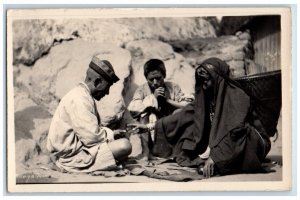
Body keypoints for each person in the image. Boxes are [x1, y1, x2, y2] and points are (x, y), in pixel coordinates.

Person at [151, 57, 271, 178]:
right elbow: (185, 114)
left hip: (248, 142)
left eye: (207, 81)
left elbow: (235, 131)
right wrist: (152, 126)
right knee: (192, 122)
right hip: (224, 143)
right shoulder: (208, 96)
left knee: (240, 138)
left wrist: (215, 157)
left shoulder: (238, 96)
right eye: (201, 82)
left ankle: (222, 161)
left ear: (218, 79)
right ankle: (220, 161)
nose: (204, 86)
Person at [47, 55, 132, 173]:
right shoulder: (79, 98)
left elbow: (88, 132)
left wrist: (112, 134)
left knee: (120, 144)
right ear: (97, 82)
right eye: (107, 87)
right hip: (73, 158)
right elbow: (91, 138)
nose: (107, 92)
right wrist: (110, 134)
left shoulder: (83, 95)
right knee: (124, 145)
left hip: (79, 152)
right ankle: (75, 167)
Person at [127, 58, 193, 159]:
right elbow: (133, 108)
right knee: (144, 114)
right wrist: (153, 98)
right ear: (146, 78)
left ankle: (176, 152)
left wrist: (167, 101)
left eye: (158, 78)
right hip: (152, 125)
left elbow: (187, 106)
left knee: (179, 112)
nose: (155, 82)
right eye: (151, 79)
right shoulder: (142, 90)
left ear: (164, 75)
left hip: (170, 125)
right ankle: (146, 152)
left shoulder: (173, 87)